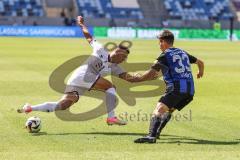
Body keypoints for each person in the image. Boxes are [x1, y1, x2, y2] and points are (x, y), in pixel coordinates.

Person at [17, 16, 141, 125]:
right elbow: (89, 37)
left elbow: (128, 78)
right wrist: (81, 24)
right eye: (124, 57)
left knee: (63, 105)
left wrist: (147, 75)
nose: (124, 60)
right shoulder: (100, 50)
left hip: (80, 80)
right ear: (117, 52)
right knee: (110, 87)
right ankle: (111, 117)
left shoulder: (115, 67)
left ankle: (30, 108)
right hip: (83, 75)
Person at [133, 30, 204, 143]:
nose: (159, 45)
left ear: (163, 42)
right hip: (190, 91)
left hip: (176, 89)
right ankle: (157, 132)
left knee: (159, 109)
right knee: (168, 111)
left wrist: (137, 79)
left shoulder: (164, 55)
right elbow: (200, 62)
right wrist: (200, 72)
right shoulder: (182, 52)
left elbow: (151, 73)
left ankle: (151, 136)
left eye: (159, 42)